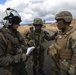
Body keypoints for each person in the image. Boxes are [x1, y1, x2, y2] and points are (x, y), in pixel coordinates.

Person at [0, 8, 28, 75]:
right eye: (16, 22)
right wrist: (19, 58)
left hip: (22, 66)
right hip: (12, 70)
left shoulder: (16, 34)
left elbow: (21, 44)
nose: (19, 25)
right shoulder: (1, 37)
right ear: (8, 21)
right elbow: (1, 60)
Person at [48, 11, 76, 75]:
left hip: (66, 68)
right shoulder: (59, 32)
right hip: (57, 63)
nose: (57, 23)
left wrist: (72, 71)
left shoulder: (73, 36)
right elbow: (57, 44)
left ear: (67, 20)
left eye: (59, 21)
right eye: (56, 21)